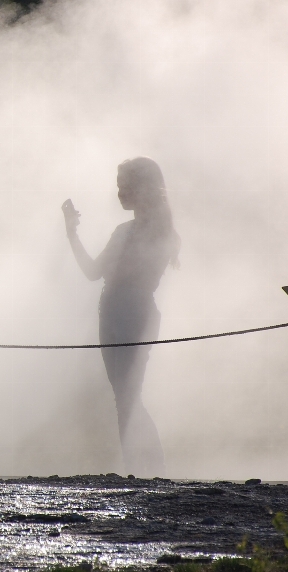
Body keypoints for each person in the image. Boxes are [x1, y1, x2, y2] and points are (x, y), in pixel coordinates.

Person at [62, 157, 180, 477]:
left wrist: (116, 266)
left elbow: (124, 273)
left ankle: (149, 466)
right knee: (123, 396)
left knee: (128, 395)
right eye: (118, 187)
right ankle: (141, 466)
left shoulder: (159, 232)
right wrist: (72, 233)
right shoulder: (125, 231)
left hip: (134, 312)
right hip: (111, 310)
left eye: (124, 186)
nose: (119, 193)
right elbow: (93, 273)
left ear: (142, 188)